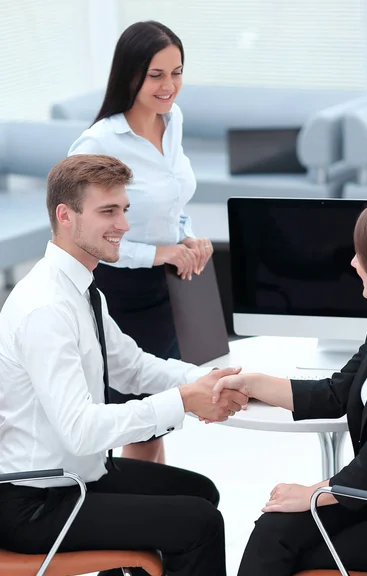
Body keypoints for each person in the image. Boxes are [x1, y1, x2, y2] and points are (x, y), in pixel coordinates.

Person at [0, 154, 247, 576]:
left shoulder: (80, 287)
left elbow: (132, 365)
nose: (124, 226)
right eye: (108, 212)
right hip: (36, 503)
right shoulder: (46, 308)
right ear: (65, 216)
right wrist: (184, 401)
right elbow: (80, 431)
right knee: (199, 526)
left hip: (78, 479)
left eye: (125, 210)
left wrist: (212, 379)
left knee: (200, 492)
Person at [211, 200, 367, 576]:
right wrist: (253, 383)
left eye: (363, 254)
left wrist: (313, 493)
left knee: (284, 547)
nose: (354, 262)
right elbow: (337, 392)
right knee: (273, 529)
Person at [68, 20, 213, 467]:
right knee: (133, 418)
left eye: (177, 72)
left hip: (166, 287)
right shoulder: (99, 142)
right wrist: (158, 252)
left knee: (158, 419)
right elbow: (83, 233)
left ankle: (147, 523)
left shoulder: (173, 121)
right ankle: (129, 521)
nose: (169, 86)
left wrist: (184, 235)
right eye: (156, 75)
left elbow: (170, 199)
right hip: (119, 290)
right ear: (130, 74)